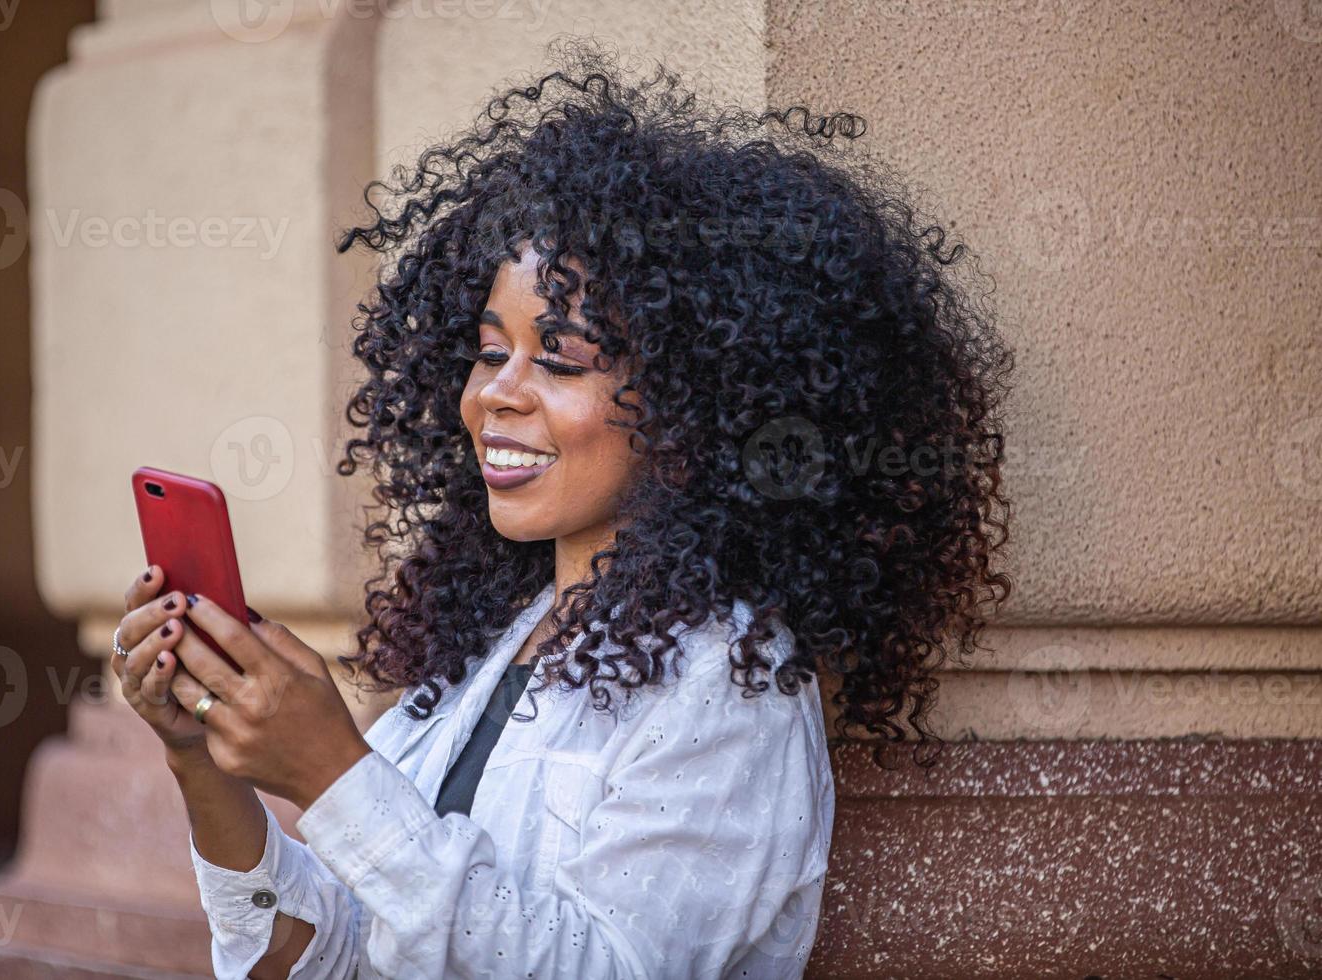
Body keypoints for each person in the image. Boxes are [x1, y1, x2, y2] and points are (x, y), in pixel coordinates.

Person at [109, 37, 1013, 979]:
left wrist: (335, 775)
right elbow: (312, 960)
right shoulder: (492, 645)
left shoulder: (729, 687)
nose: (495, 393)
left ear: (694, 406)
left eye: (560, 359)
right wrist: (202, 760)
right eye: (490, 350)